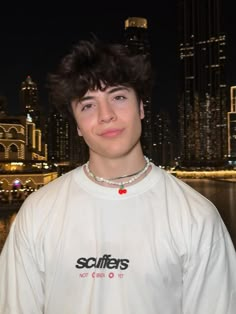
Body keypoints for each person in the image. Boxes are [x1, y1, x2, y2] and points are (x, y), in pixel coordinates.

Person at [0, 38, 236, 314]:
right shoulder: (38, 212)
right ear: (76, 125)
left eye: (119, 97)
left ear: (141, 108)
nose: (106, 115)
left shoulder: (196, 216)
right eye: (88, 105)